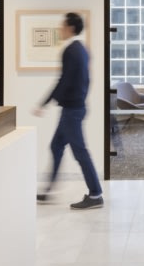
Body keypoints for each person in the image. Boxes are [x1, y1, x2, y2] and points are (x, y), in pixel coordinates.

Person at [33, 12, 104, 210]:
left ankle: (95, 194)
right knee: (56, 146)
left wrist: (44, 103)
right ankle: (48, 190)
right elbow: (85, 80)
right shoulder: (82, 50)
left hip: (72, 111)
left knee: (80, 152)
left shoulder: (71, 51)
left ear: (70, 28)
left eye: (62, 26)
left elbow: (63, 81)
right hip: (75, 108)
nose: (60, 29)